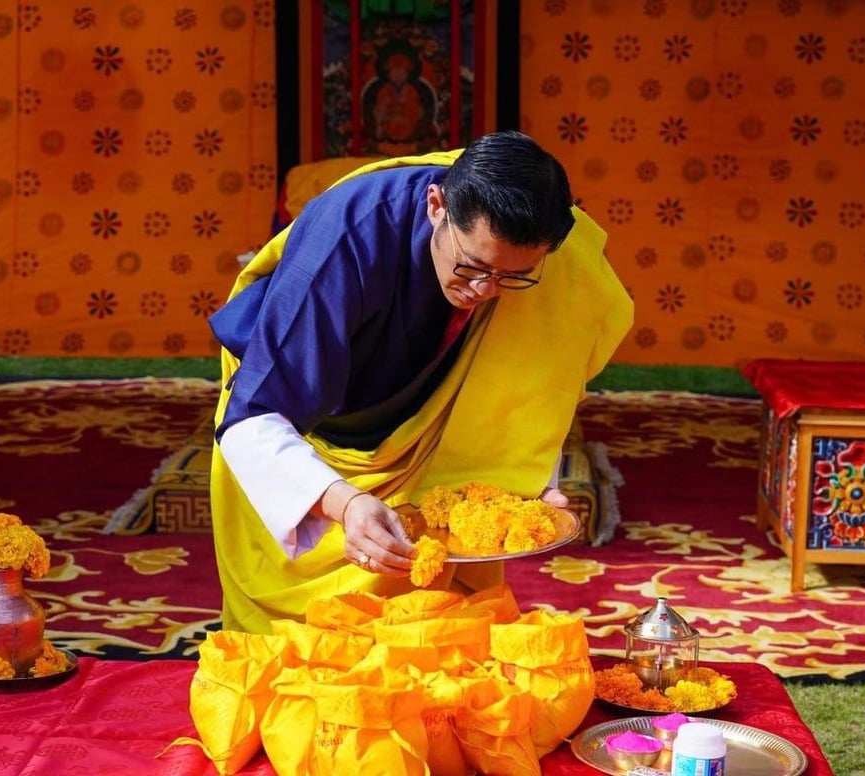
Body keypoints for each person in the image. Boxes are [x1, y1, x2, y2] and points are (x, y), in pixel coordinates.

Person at [208, 131, 633, 634]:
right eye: (471, 267)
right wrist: (345, 502)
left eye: (509, 277)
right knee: (307, 641)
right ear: (437, 205)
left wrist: (531, 468)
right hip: (302, 423)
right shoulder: (346, 238)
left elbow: (541, 364)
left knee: (434, 635)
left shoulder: (562, 258)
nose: (484, 292)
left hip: (425, 430)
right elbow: (252, 419)